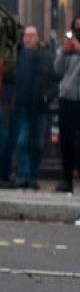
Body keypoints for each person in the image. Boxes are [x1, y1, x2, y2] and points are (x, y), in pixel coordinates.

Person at [10, 26, 56, 190]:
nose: (28, 39)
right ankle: (25, 175)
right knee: (22, 142)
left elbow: (53, 80)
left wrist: (46, 97)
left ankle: (32, 176)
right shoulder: (19, 56)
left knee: (37, 144)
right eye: (26, 36)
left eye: (31, 36)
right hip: (23, 105)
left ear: (37, 37)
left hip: (39, 106)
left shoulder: (44, 56)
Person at [56, 18, 80, 193]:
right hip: (68, 97)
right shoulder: (68, 47)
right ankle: (66, 179)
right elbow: (57, 69)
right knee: (66, 140)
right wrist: (64, 52)